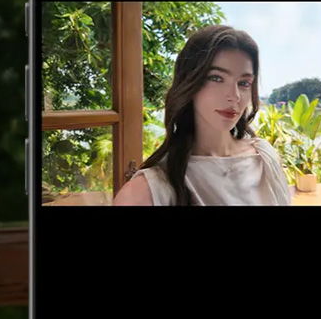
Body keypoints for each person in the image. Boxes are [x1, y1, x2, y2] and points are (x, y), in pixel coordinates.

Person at [112, 25, 292, 206]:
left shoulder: (265, 158)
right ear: (190, 82)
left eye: (244, 83)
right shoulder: (146, 192)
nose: (234, 96)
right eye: (216, 78)